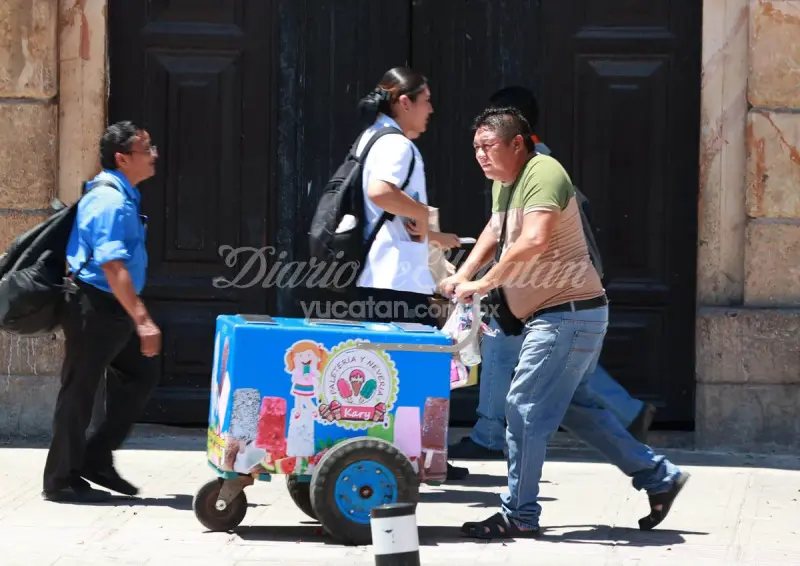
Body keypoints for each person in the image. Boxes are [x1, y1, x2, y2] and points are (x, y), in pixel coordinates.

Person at [447, 107, 687, 538]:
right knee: (576, 410)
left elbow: (535, 239)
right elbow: (494, 230)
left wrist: (483, 282)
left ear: (517, 144)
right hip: (561, 317)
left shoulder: (544, 171)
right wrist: (464, 274)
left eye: (489, 146)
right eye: (476, 148)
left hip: (566, 316)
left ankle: (519, 513)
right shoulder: (508, 181)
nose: (480, 155)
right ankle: (660, 477)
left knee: (522, 408)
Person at [42, 121, 162, 503]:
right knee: (79, 391)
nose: (154, 154)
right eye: (147, 149)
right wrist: (142, 320)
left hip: (111, 307)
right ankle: (60, 479)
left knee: (140, 374)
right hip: (93, 306)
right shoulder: (109, 201)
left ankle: (95, 457)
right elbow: (112, 266)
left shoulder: (123, 195)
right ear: (122, 158)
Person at [346, 67, 460, 325]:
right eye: (426, 100)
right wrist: (420, 212)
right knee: (417, 358)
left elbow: (385, 217)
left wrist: (432, 236)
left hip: (380, 276)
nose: (430, 109)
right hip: (395, 280)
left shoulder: (371, 136)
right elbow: (380, 192)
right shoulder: (396, 144)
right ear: (405, 103)